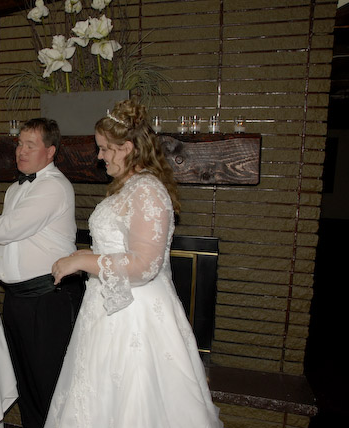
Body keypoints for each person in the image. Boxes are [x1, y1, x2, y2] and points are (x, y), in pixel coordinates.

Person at [45, 99, 223, 428]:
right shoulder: (128, 188)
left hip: (135, 317)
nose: (100, 156)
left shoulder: (147, 191)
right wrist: (82, 258)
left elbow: (145, 265)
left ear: (126, 148)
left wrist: (84, 259)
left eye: (104, 149)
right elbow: (117, 247)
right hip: (108, 309)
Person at [0, 118, 84, 428]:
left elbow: (13, 226)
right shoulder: (15, 189)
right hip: (17, 300)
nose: (21, 151)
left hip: (48, 298)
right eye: (19, 144)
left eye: (30, 145)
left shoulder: (54, 186)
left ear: (50, 151)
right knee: (25, 384)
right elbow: (16, 240)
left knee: (49, 384)